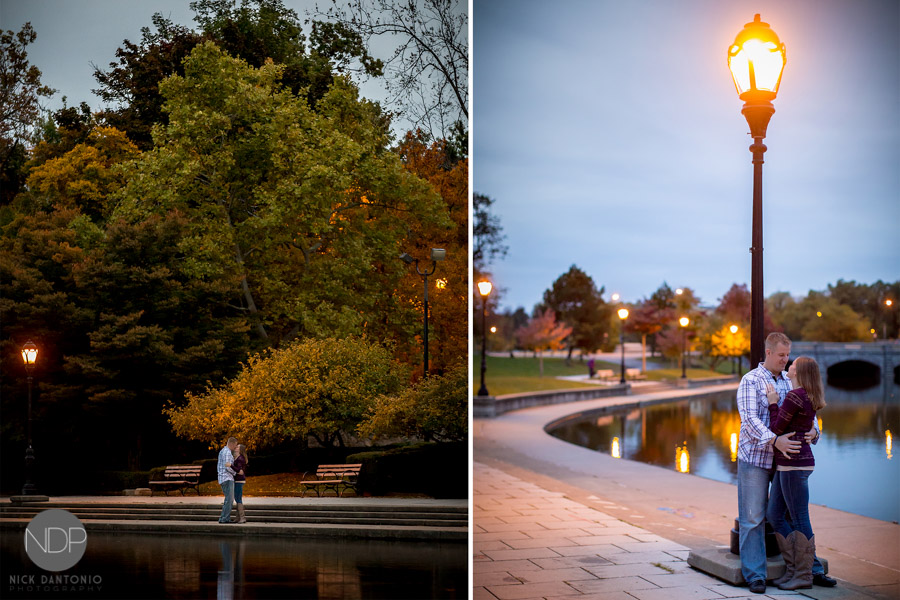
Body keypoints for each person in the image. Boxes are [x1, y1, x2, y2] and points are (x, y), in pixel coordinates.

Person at [735, 332, 835, 594]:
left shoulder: (791, 381)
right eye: (781, 355)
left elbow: (806, 412)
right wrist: (774, 440)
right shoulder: (751, 381)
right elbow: (749, 420)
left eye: (787, 355)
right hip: (756, 458)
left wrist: (815, 432)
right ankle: (755, 574)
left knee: (791, 514)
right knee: (753, 518)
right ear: (768, 353)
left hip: (786, 461)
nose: (785, 360)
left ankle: (808, 569)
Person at [765, 356, 826, 590]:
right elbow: (804, 426)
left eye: (793, 364)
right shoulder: (807, 396)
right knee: (775, 515)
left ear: (798, 372)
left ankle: (804, 575)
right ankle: (793, 569)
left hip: (795, 465)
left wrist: (773, 403)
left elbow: (776, 429)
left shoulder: (794, 396)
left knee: (800, 518)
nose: (789, 365)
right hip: (790, 463)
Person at [217, 437, 238, 524]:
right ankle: (225, 518)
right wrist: (235, 472)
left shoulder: (223, 451)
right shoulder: (227, 453)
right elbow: (228, 466)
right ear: (232, 444)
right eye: (235, 445)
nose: (235, 448)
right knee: (229, 499)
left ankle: (223, 517)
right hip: (227, 478)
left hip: (223, 478)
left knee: (228, 499)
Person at [232, 444, 248, 524]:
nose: (236, 448)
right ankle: (237, 517)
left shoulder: (240, 459)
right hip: (238, 481)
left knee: (238, 499)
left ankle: (242, 518)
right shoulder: (238, 458)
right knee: (237, 498)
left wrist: (231, 466)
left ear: (240, 449)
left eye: (237, 447)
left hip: (239, 481)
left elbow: (240, 472)